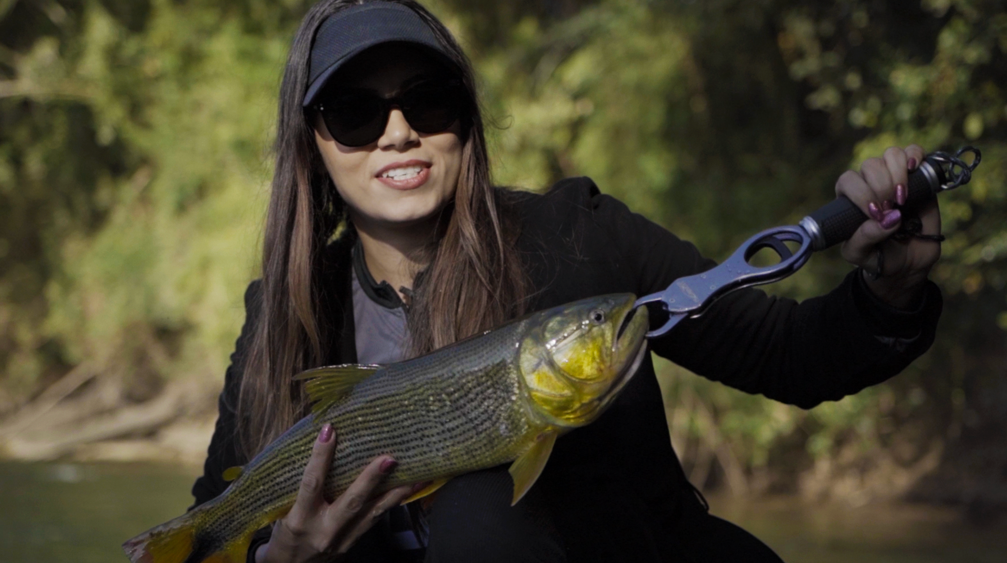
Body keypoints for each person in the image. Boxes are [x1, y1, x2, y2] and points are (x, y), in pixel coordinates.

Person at [189, 1, 943, 562]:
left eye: (428, 99)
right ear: (312, 144)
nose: (397, 130)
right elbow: (207, 524)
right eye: (354, 112)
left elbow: (793, 354)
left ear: (466, 120)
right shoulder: (285, 312)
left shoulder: (580, 234)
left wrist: (890, 291)